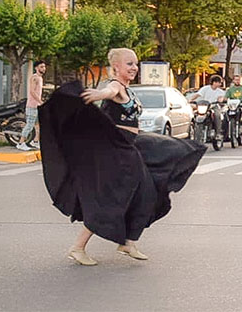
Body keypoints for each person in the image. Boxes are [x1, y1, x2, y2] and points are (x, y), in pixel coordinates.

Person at [38, 48, 206, 266]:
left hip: (131, 145)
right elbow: (109, 91)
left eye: (135, 64)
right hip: (118, 151)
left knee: (146, 193)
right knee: (113, 199)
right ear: (116, 67)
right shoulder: (116, 85)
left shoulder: (128, 88)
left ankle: (128, 241)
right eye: (129, 64)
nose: (134, 68)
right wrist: (99, 95)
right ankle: (78, 247)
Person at [17, 60, 46, 151]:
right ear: (36, 68)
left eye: (44, 67)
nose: (44, 69)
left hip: (37, 106)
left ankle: (35, 141)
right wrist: (40, 101)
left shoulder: (40, 78)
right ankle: (21, 143)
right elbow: (32, 91)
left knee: (38, 125)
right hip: (32, 106)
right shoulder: (34, 77)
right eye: (41, 67)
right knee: (29, 125)